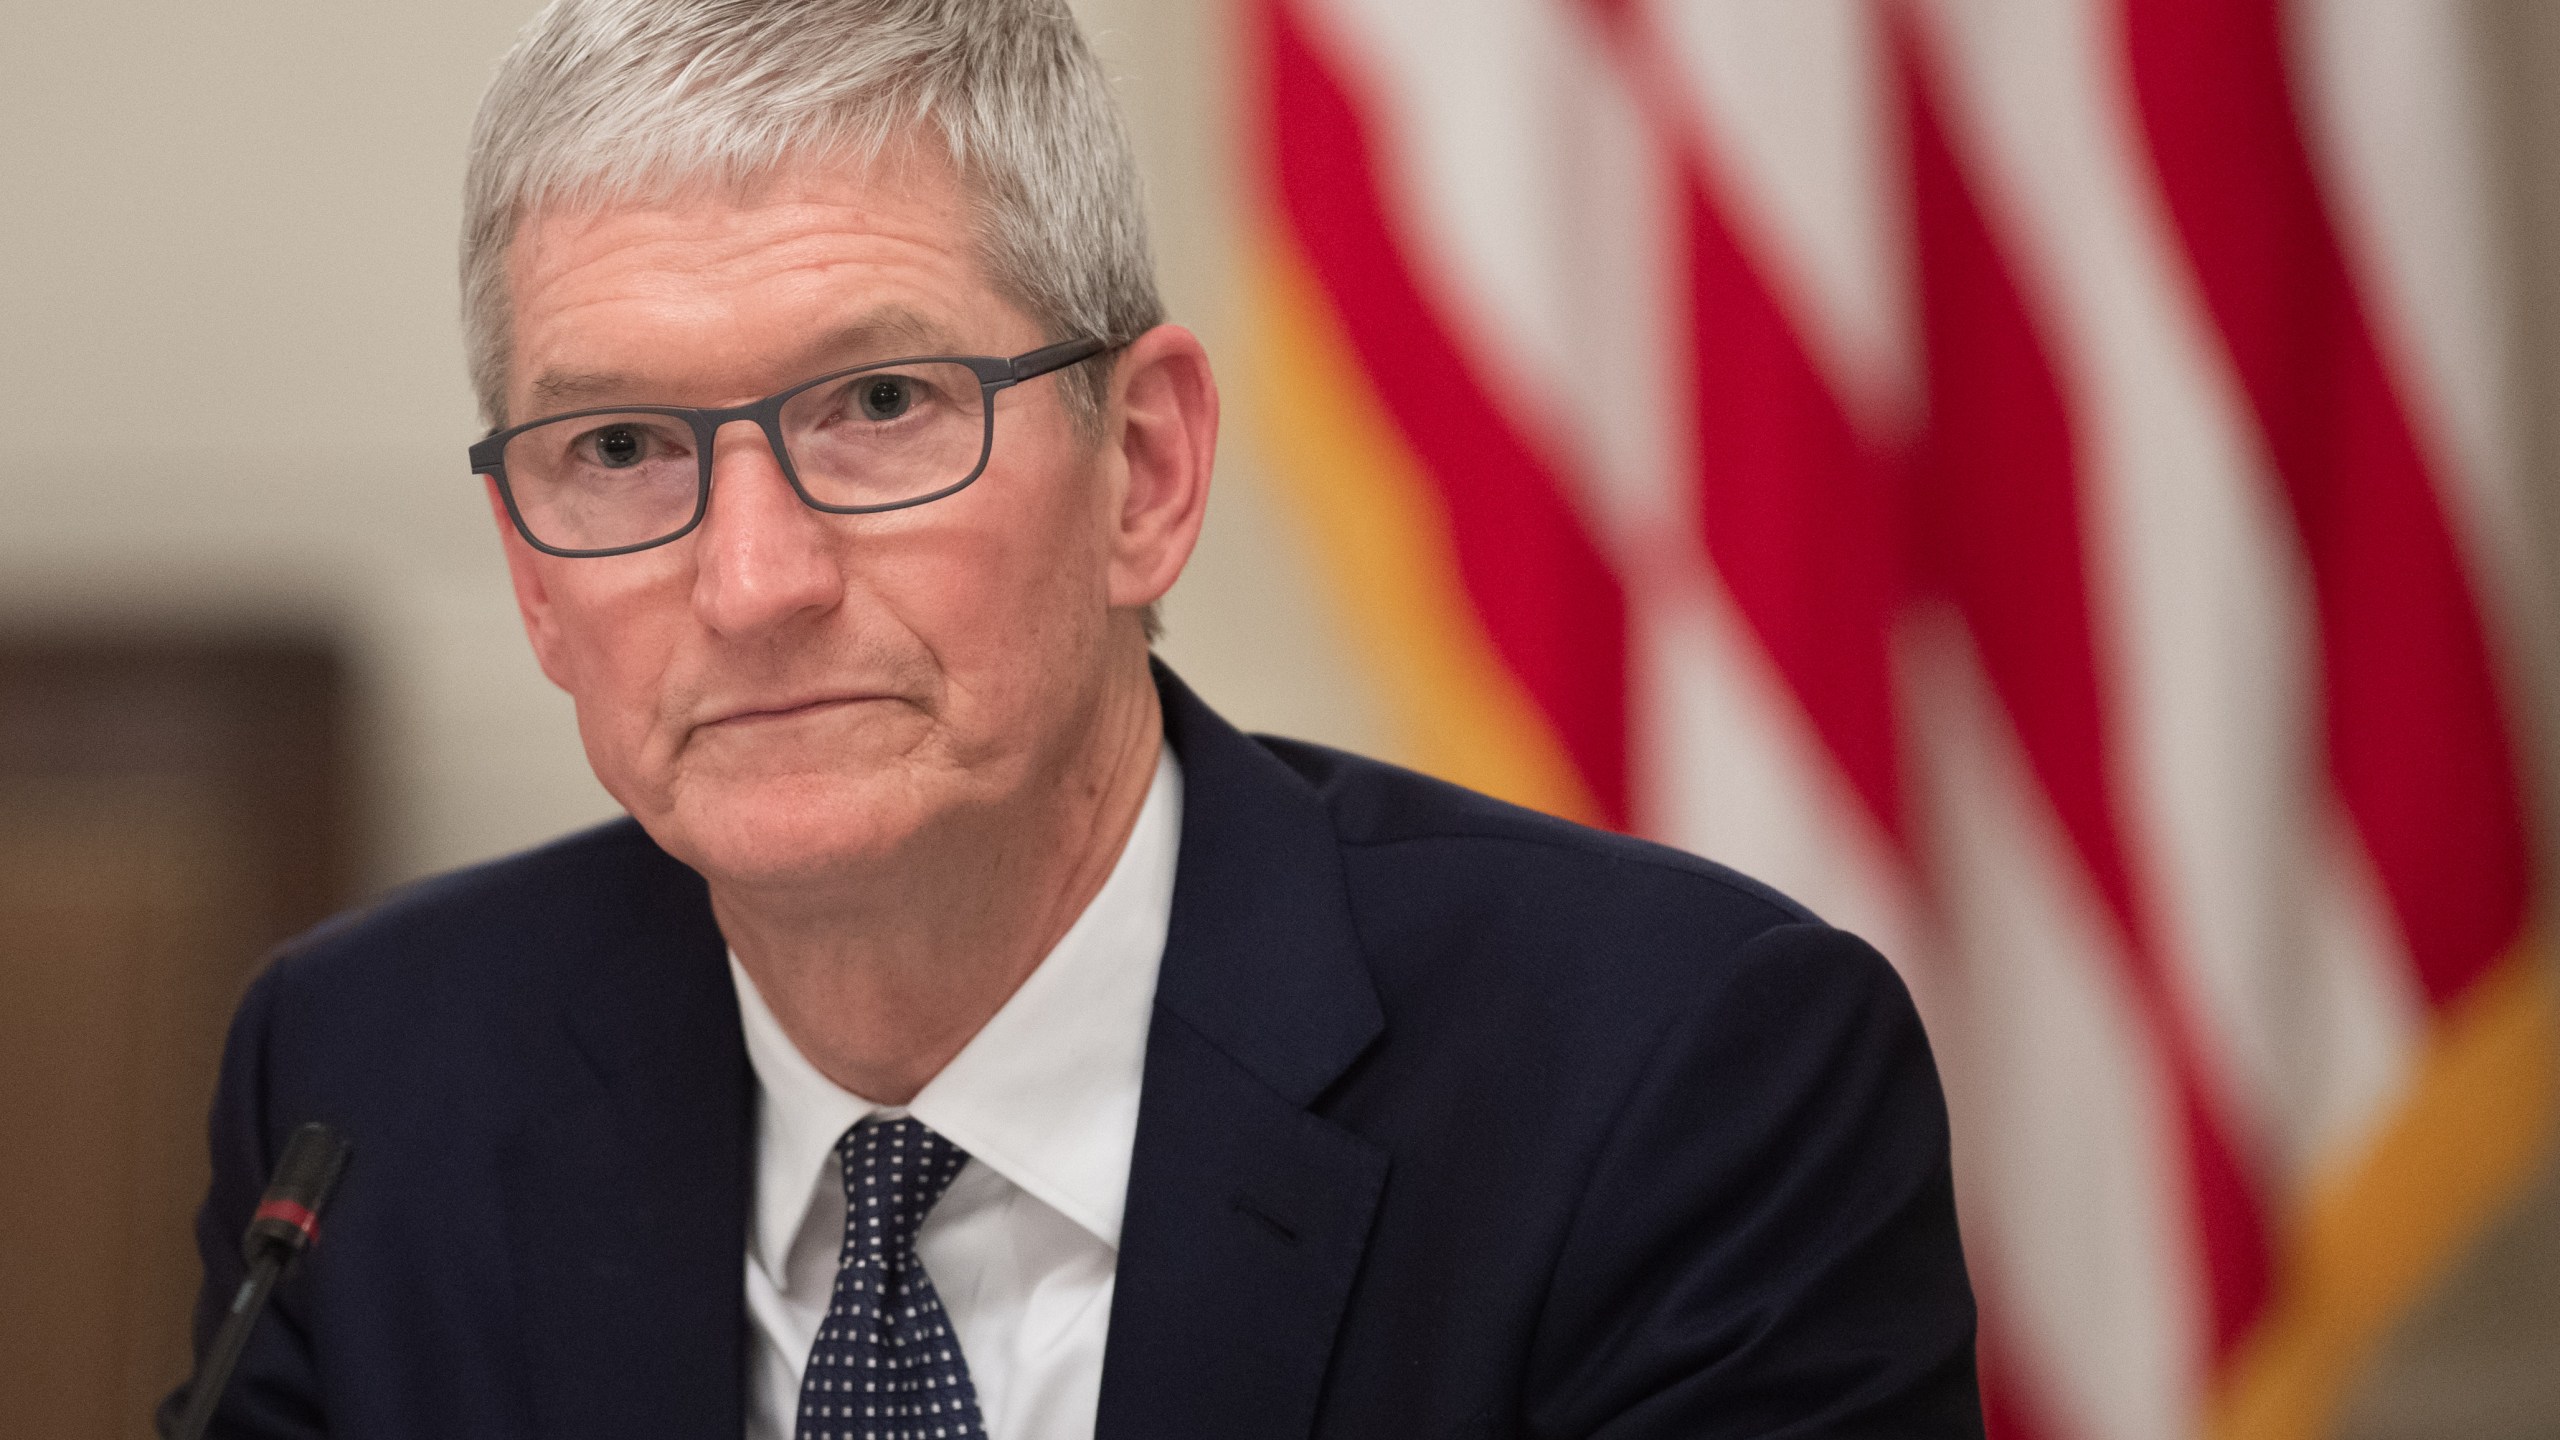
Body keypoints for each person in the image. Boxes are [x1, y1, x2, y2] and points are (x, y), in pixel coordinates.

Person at [171, 1, 1981, 1436]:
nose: (752, 580)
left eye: (879, 401)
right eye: (622, 450)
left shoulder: (1673, 1086)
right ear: (532, 574)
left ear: (1146, 470)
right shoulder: (363, 1090)